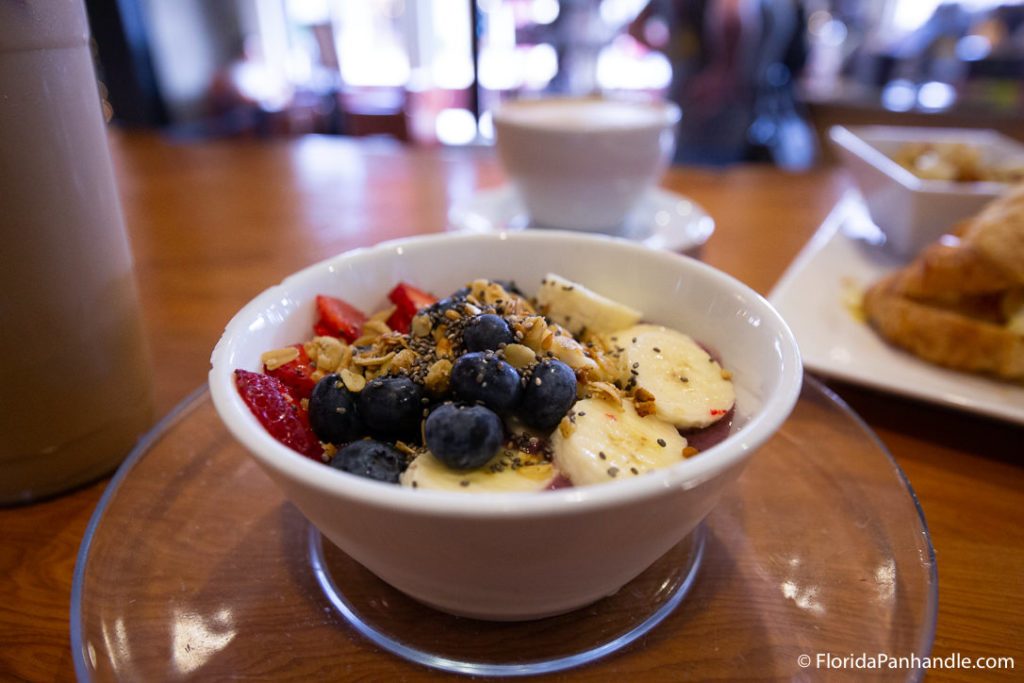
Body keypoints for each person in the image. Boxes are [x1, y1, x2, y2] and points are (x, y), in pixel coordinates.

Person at [630, 0, 816, 168]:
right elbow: (731, 16)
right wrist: (723, 73)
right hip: (732, 112)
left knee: (691, 179)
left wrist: (674, 53)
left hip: (693, 109)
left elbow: (636, 28)